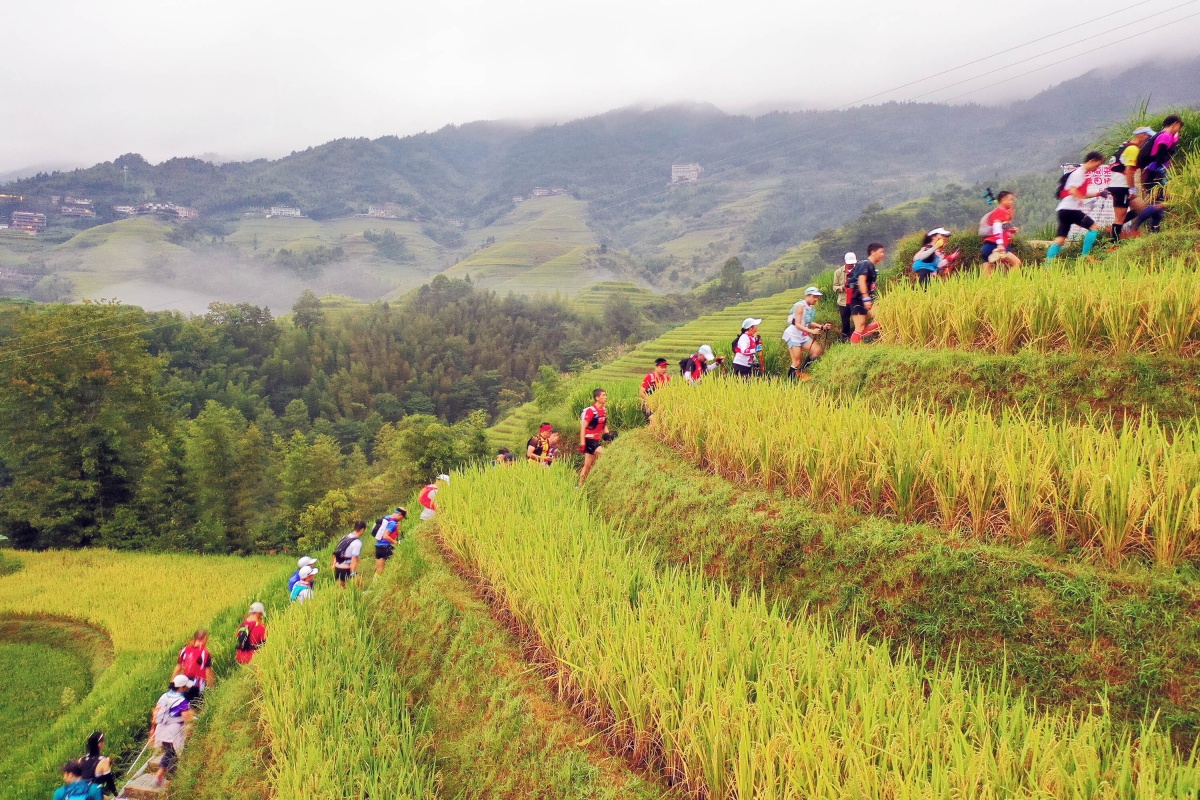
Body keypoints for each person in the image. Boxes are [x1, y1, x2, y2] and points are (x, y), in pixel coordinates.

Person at [1046, 152, 1106, 261]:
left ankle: (1047, 265)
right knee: (1094, 228)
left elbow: (1082, 193)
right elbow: (1073, 190)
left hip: (1063, 210)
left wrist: (1099, 193)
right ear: (1091, 161)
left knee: (1060, 239)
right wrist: (1080, 201)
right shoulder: (1078, 174)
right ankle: (1085, 256)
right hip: (1071, 210)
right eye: (1097, 165)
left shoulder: (1080, 174)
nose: (1096, 169)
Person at [1108, 127, 1155, 242]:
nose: (1148, 140)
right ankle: (1114, 242)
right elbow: (1129, 171)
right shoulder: (1133, 149)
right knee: (1120, 217)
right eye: (1148, 137)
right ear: (1142, 135)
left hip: (1118, 184)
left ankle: (1114, 229)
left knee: (1142, 209)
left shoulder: (1125, 146)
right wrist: (1131, 189)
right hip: (1121, 186)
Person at [149, 674, 194, 787]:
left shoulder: (164, 696)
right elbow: (187, 719)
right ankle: (170, 780)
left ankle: (161, 777)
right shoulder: (182, 701)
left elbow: (156, 712)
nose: (187, 688)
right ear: (182, 687)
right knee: (174, 755)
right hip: (173, 732)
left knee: (170, 753)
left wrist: (153, 729)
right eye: (185, 687)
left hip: (161, 729)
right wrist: (190, 731)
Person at [783, 287, 831, 380]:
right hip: (793, 335)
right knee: (796, 361)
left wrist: (821, 327)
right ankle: (790, 384)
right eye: (814, 296)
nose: (816, 299)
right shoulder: (800, 306)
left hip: (802, 335)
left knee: (817, 351)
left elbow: (808, 322)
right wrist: (812, 331)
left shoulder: (810, 307)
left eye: (817, 297)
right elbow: (797, 324)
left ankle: (802, 371)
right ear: (808, 296)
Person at [1140, 115, 1184, 203]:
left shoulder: (1163, 135)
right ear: (1175, 124)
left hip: (1152, 172)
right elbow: (1161, 154)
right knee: (1160, 200)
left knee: (1158, 199)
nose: (1180, 129)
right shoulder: (1166, 136)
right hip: (1154, 173)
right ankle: (1143, 216)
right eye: (1180, 126)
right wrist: (1162, 170)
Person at [848, 244, 885, 343]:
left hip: (866, 298)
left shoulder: (872, 266)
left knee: (882, 317)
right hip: (857, 298)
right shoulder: (865, 264)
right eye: (881, 252)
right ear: (873, 252)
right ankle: (855, 348)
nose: (883, 254)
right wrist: (866, 298)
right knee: (859, 326)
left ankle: (863, 338)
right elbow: (861, 280)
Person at [980, 194, 1022, 274]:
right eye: (1010, 199)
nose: (1012, 202)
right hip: (995, 245)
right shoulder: (1000, 211)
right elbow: (997, 226)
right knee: (1016, 263)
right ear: (1003, 200)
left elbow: (1001, 228)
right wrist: (1000, 244)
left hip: (987, 246)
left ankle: (989, 286)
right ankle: (1007, 284)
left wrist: (1010, 231)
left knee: (987, 277)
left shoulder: (998, 211)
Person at [578, 388, 609, 486]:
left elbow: (604, 424)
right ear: (597, 398)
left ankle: (580, 486)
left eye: (605, 395)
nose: (605, 397)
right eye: (603, 395)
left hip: (596, 440)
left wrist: (608, 435)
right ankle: (606, 479)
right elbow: (583, 427)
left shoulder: (604, 410)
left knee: (587, 466)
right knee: (606, 455)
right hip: (589, 440)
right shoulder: (591, 411)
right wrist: (583, 443)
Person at [175, 630, 213, 703]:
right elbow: (208, 675)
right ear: (205, 639)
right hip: (198, 687)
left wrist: (172, 685)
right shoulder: (205, 653)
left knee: (185, 707)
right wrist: (212, 690)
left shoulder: (184, 650)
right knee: (197, 710)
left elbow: (177, 669)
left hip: (184, 685)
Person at [77, 733, 116, 797]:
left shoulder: (81, 760)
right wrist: (116, 794)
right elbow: (110, 781)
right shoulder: (103, 761)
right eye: (103, 741)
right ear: (99, 744)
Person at [332, 521, 365, 587]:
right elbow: (354, 559)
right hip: (346, 568)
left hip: (338, 567)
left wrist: (333, 565)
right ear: (362, 530)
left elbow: (337, 550)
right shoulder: (357, 542)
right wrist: (352, 572)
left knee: (341, 589)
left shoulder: (345, 537)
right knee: (360, 586)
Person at [374, 507, 406, 575]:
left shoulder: (386, 518)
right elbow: (385, 536)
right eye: (402, 517)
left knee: (379, 570)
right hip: (386, 547)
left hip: (378, 547)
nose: (401, 519)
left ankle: (376, 584)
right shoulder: (392, 523)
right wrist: (396, 543)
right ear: (400, 514)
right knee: (399, 562)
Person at [832, 253, 854, 341]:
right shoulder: (838, 272)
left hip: (855, 300)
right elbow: (834, 287)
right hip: (843, 301)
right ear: (844, 261)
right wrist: (842, 288)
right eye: (849, 263)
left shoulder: (858, 270)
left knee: (858, 320)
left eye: (852, 263)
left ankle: (857, 338)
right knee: (845, 321)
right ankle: (845, 338)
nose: (851, 265)